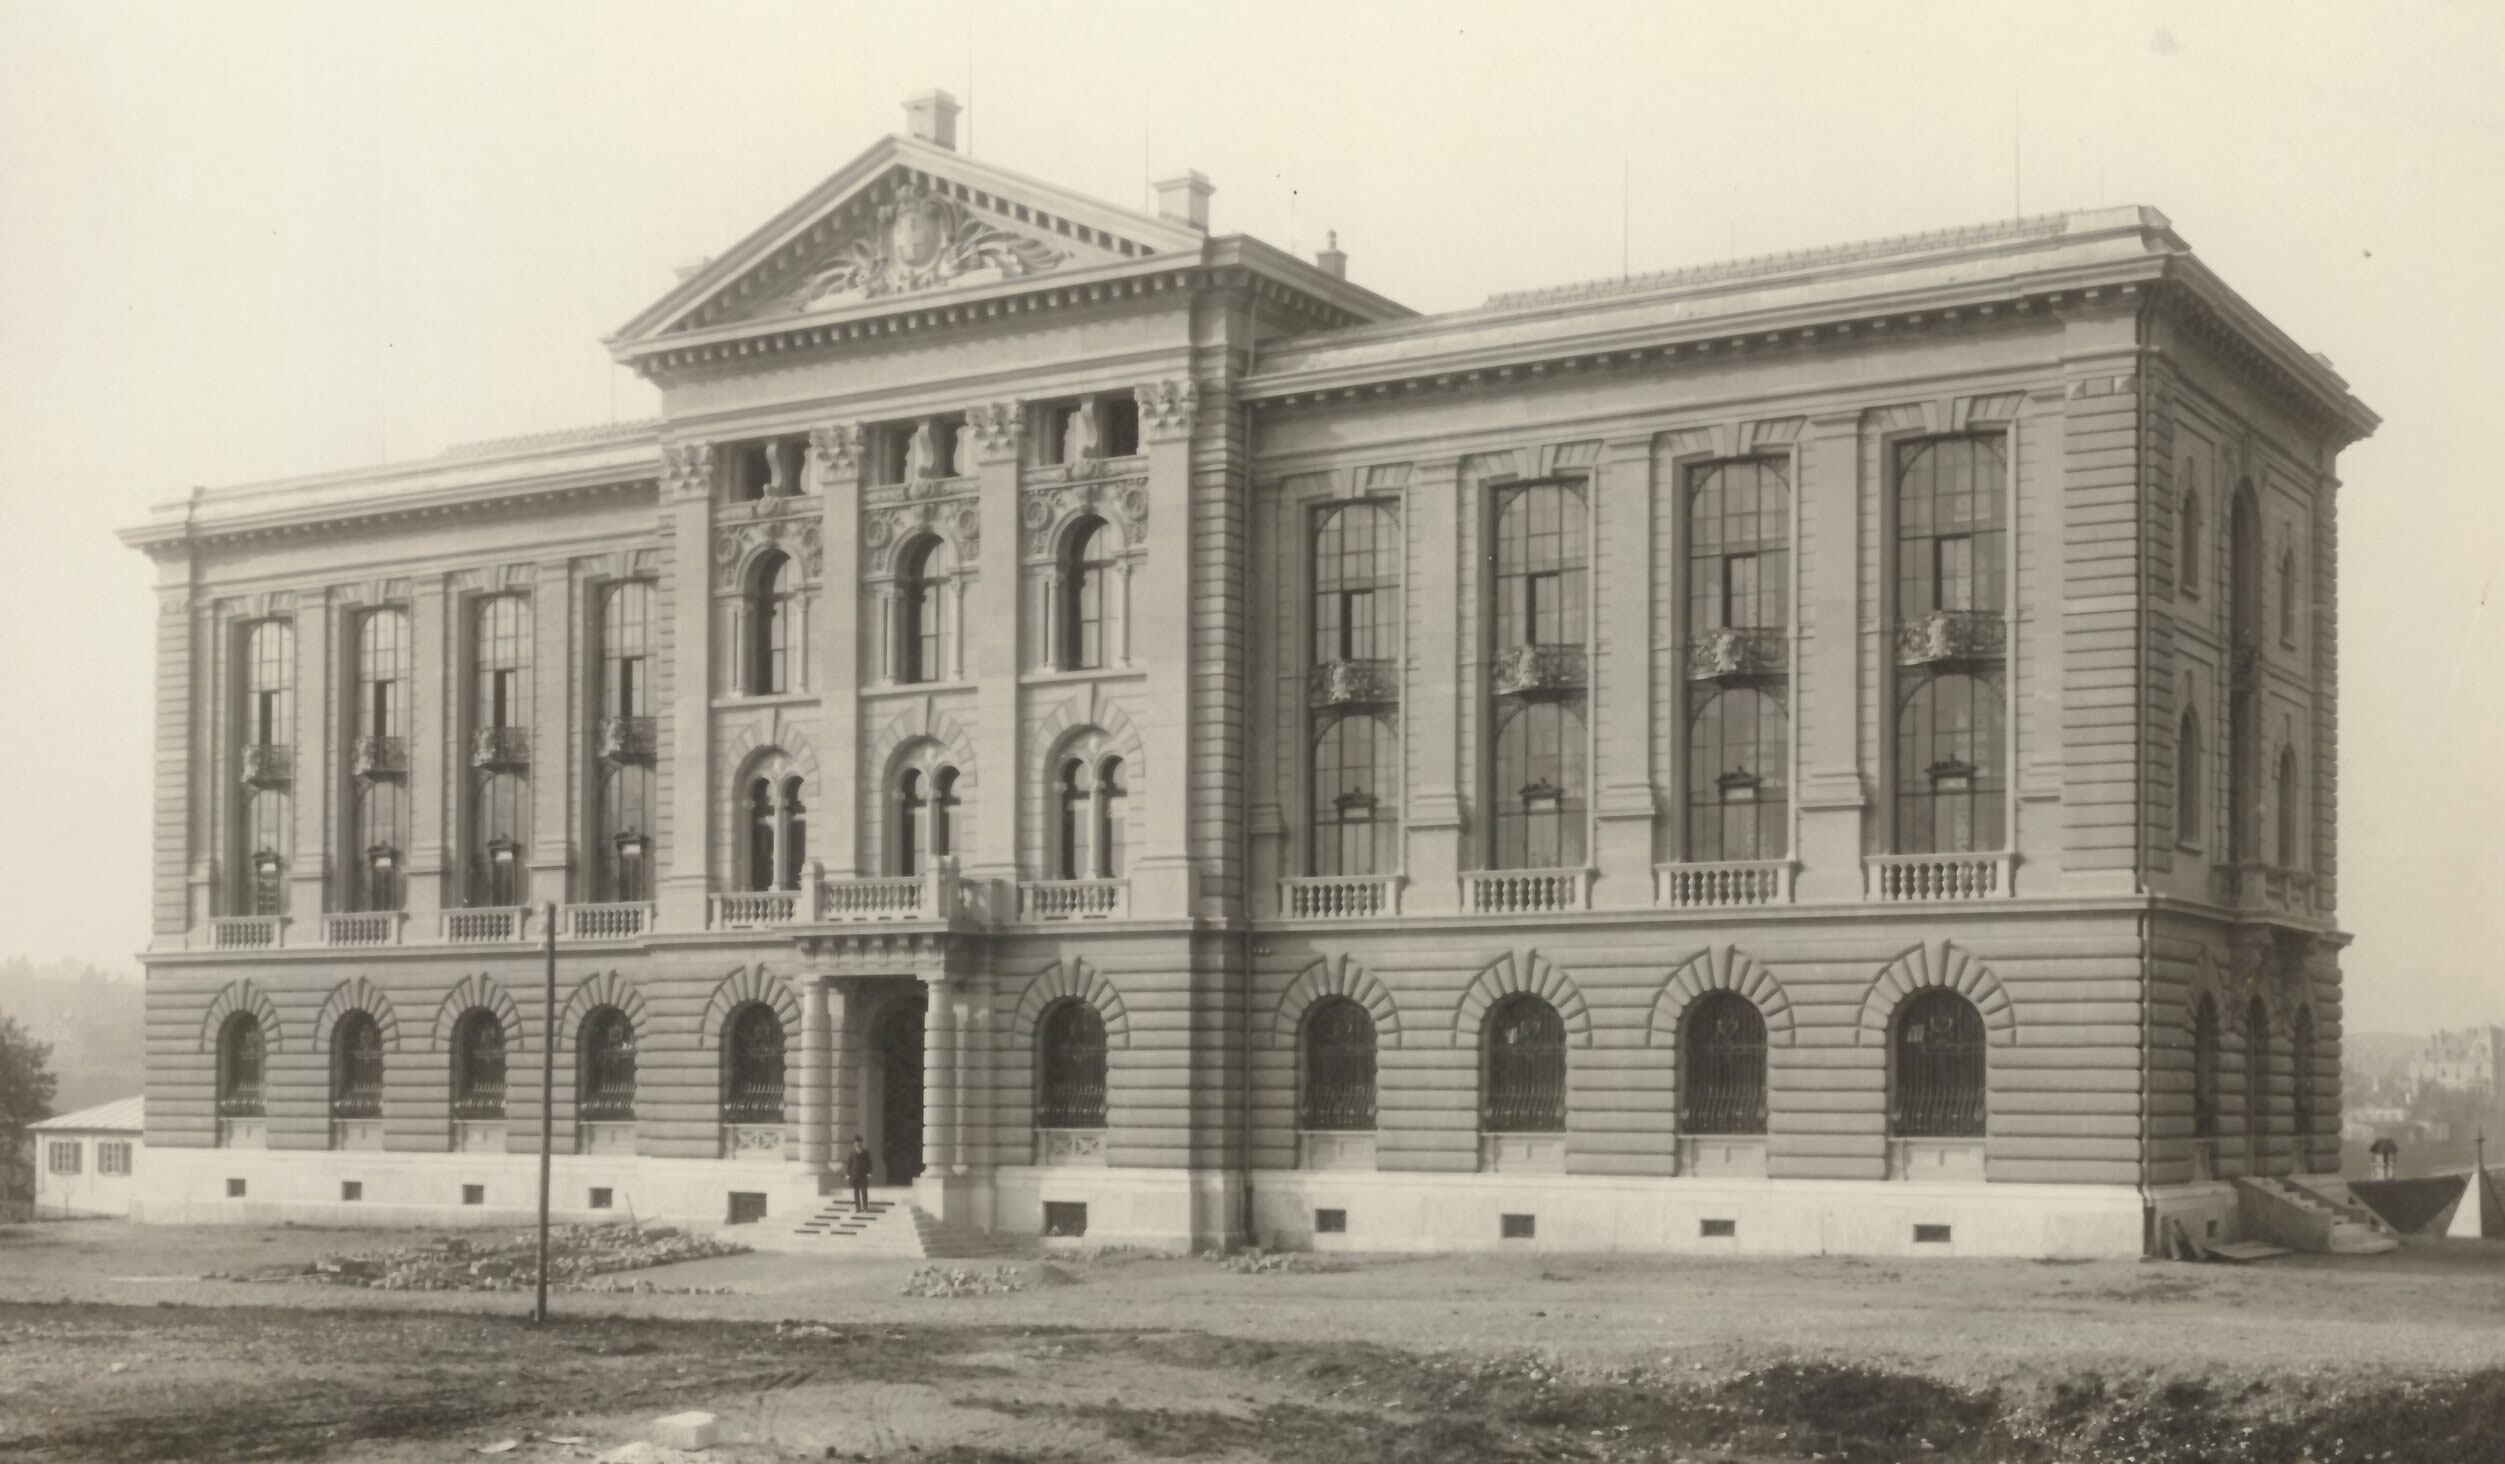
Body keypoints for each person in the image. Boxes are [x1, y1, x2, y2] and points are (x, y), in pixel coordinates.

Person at [846, 1135, 874, 1213]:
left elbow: (869, 1163)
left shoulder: (866, 1153)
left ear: (861, 1143)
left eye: (859, 1143)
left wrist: (869, 1173)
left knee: (864, 1191)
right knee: (856, 1192)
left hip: (863, 1175)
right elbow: (849, 1164)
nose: (857, 1144)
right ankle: (858, 1208)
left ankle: (865, 1208)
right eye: (856, 1143)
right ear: (854, 1144)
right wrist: (848, 1174)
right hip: (854, 1175)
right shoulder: (852, 1153)